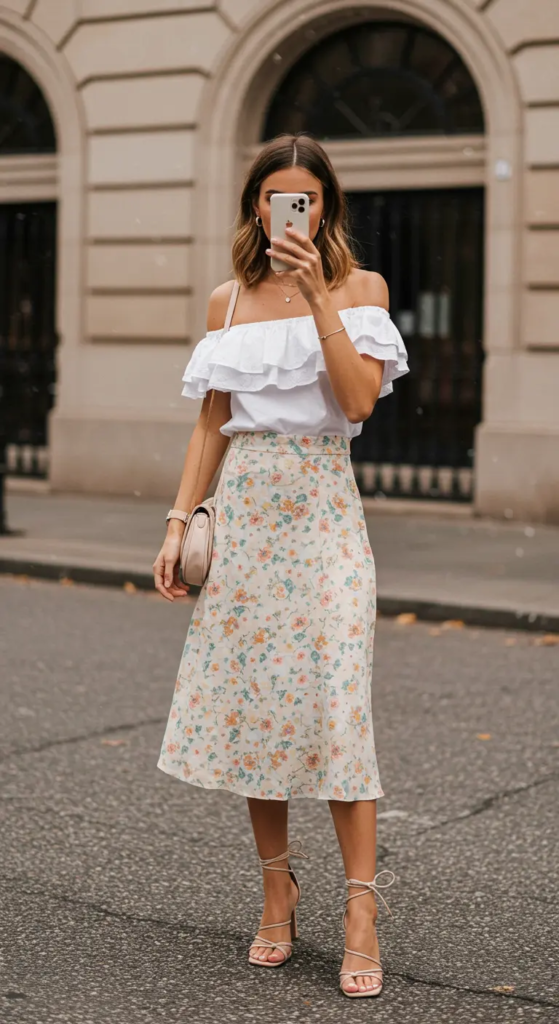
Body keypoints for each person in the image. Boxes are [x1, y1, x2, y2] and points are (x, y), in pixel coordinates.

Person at [154, 134, 408, 998]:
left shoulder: (361, 289)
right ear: (255, 205)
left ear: (325, 206)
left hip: (325, 515)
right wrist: (178, 521)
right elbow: (210, 422)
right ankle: (276, 890)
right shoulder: (227, 300)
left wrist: (315, 293)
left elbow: (357, 400)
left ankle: (361, 909)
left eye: (305, 197)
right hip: (248, 519)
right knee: (256, 711)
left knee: (337, 710)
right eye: (273, 197)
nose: (288, 210)